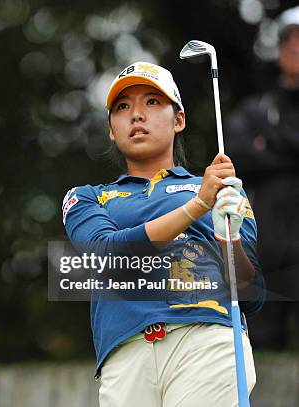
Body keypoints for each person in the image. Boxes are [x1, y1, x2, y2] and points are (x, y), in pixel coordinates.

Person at [62, 62, 265, 406]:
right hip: (124, 355)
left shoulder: (222, 191)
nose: (136, 115)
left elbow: (250, 294)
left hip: (207, 340)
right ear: (112, 129)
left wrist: (229, 241)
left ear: (179, 120)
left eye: (152, 102)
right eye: (123, 107)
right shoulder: (86, 197)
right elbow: (107, 257)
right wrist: (197, 207)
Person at [226, 5, 299, 351]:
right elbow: (236, 156)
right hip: (267, 249)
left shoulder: (263, 119)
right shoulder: (256, 109)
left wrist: (271, 144)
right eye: (289, 40)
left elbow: (261, 153)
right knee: (261, 347)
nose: (296, 48)